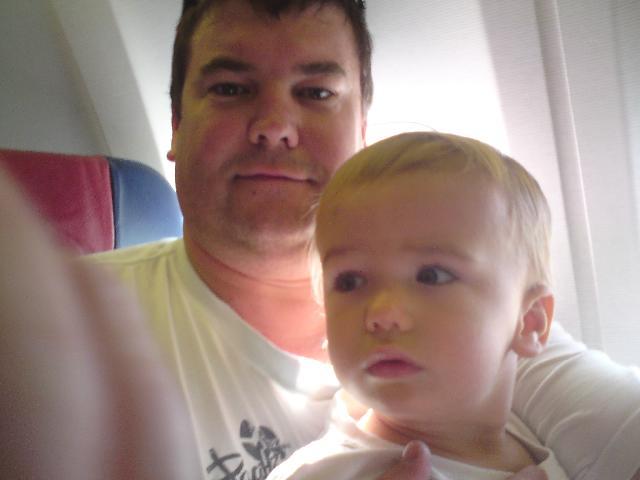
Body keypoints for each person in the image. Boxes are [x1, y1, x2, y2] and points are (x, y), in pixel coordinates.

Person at [1, 0, 639, 479]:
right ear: (175, 125)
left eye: (316, 92)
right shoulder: (56, 333)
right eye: (231, 89)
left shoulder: (487, 327)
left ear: (361, 128)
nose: (275, 125)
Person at [268, 131, 570, 479]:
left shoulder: (533, 436)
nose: (381, 314)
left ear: (529, 322)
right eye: (350, 282)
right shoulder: (325, 472)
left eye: (432, 276)